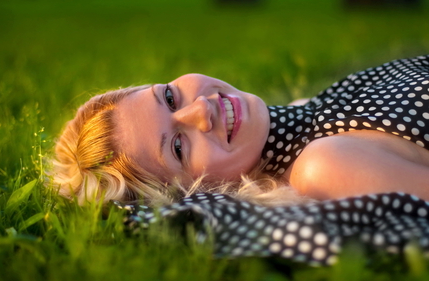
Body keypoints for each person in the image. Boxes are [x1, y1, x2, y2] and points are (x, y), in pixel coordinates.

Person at [51, 55, 429, 207]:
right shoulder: (324, 164)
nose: (200, 109)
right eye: (179, 148)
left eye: (169, 96)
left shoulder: (309, 115)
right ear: (194, 192)